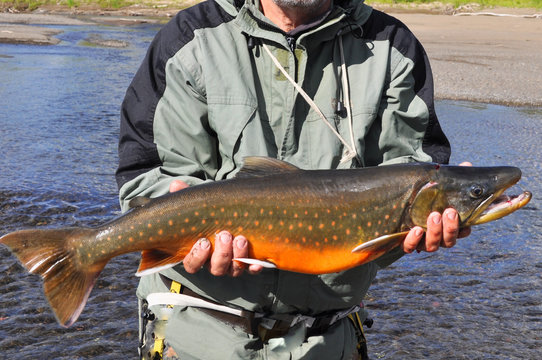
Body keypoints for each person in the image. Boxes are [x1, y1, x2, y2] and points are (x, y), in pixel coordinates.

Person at [116, 0, 470, 358]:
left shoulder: (392, 47)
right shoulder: (189, 37)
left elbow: (413, 174)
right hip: (197, 329)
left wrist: (425, 227)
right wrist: (192, 228)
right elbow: (142, 178)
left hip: (328, 336)